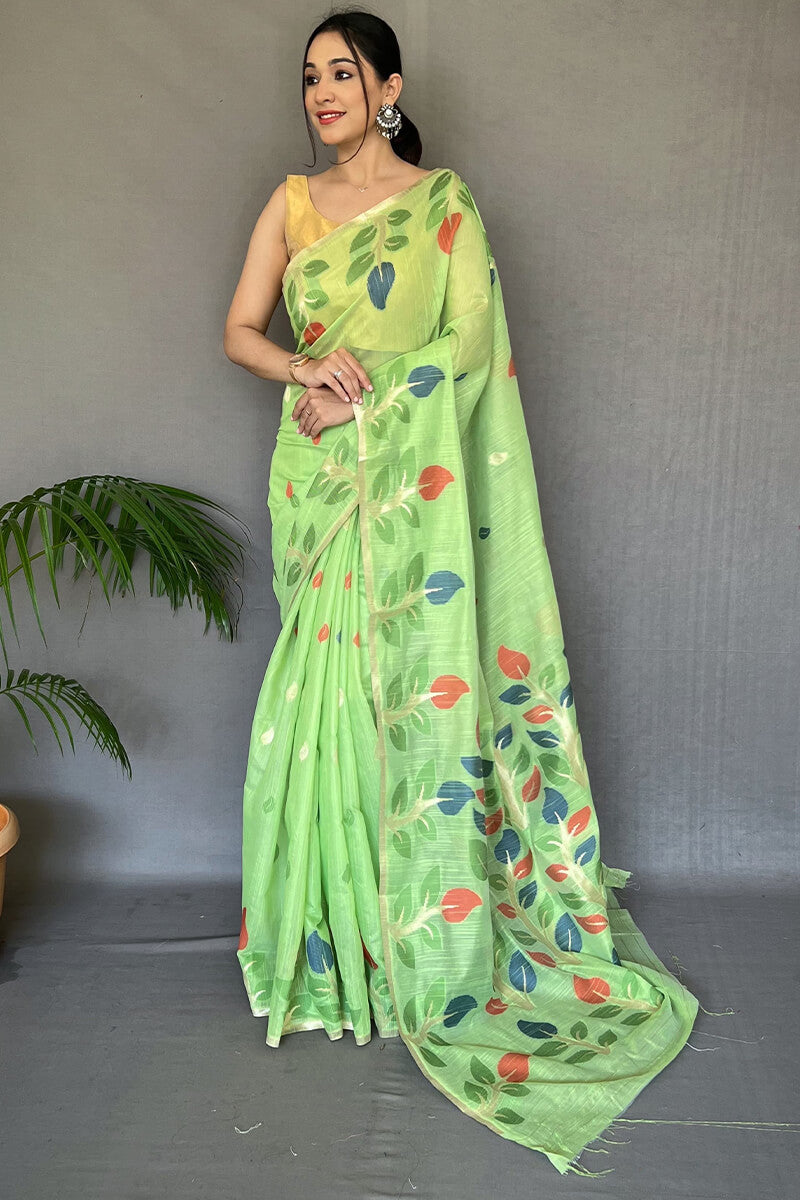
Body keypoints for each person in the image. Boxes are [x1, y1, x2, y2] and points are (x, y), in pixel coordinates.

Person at [223, 7, 699, 1178]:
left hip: (404, 479)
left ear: (387, 88)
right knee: (321, 703)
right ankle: (329, 951)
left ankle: (410, 951)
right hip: (319, 480)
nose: (321, 93)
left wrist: (372, 395)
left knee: (404, 700)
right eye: (309, 76)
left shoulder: (442, 208)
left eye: (343, 74)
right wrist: (302, 367)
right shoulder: (289, 202)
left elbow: (473, 349)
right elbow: (238, 330)